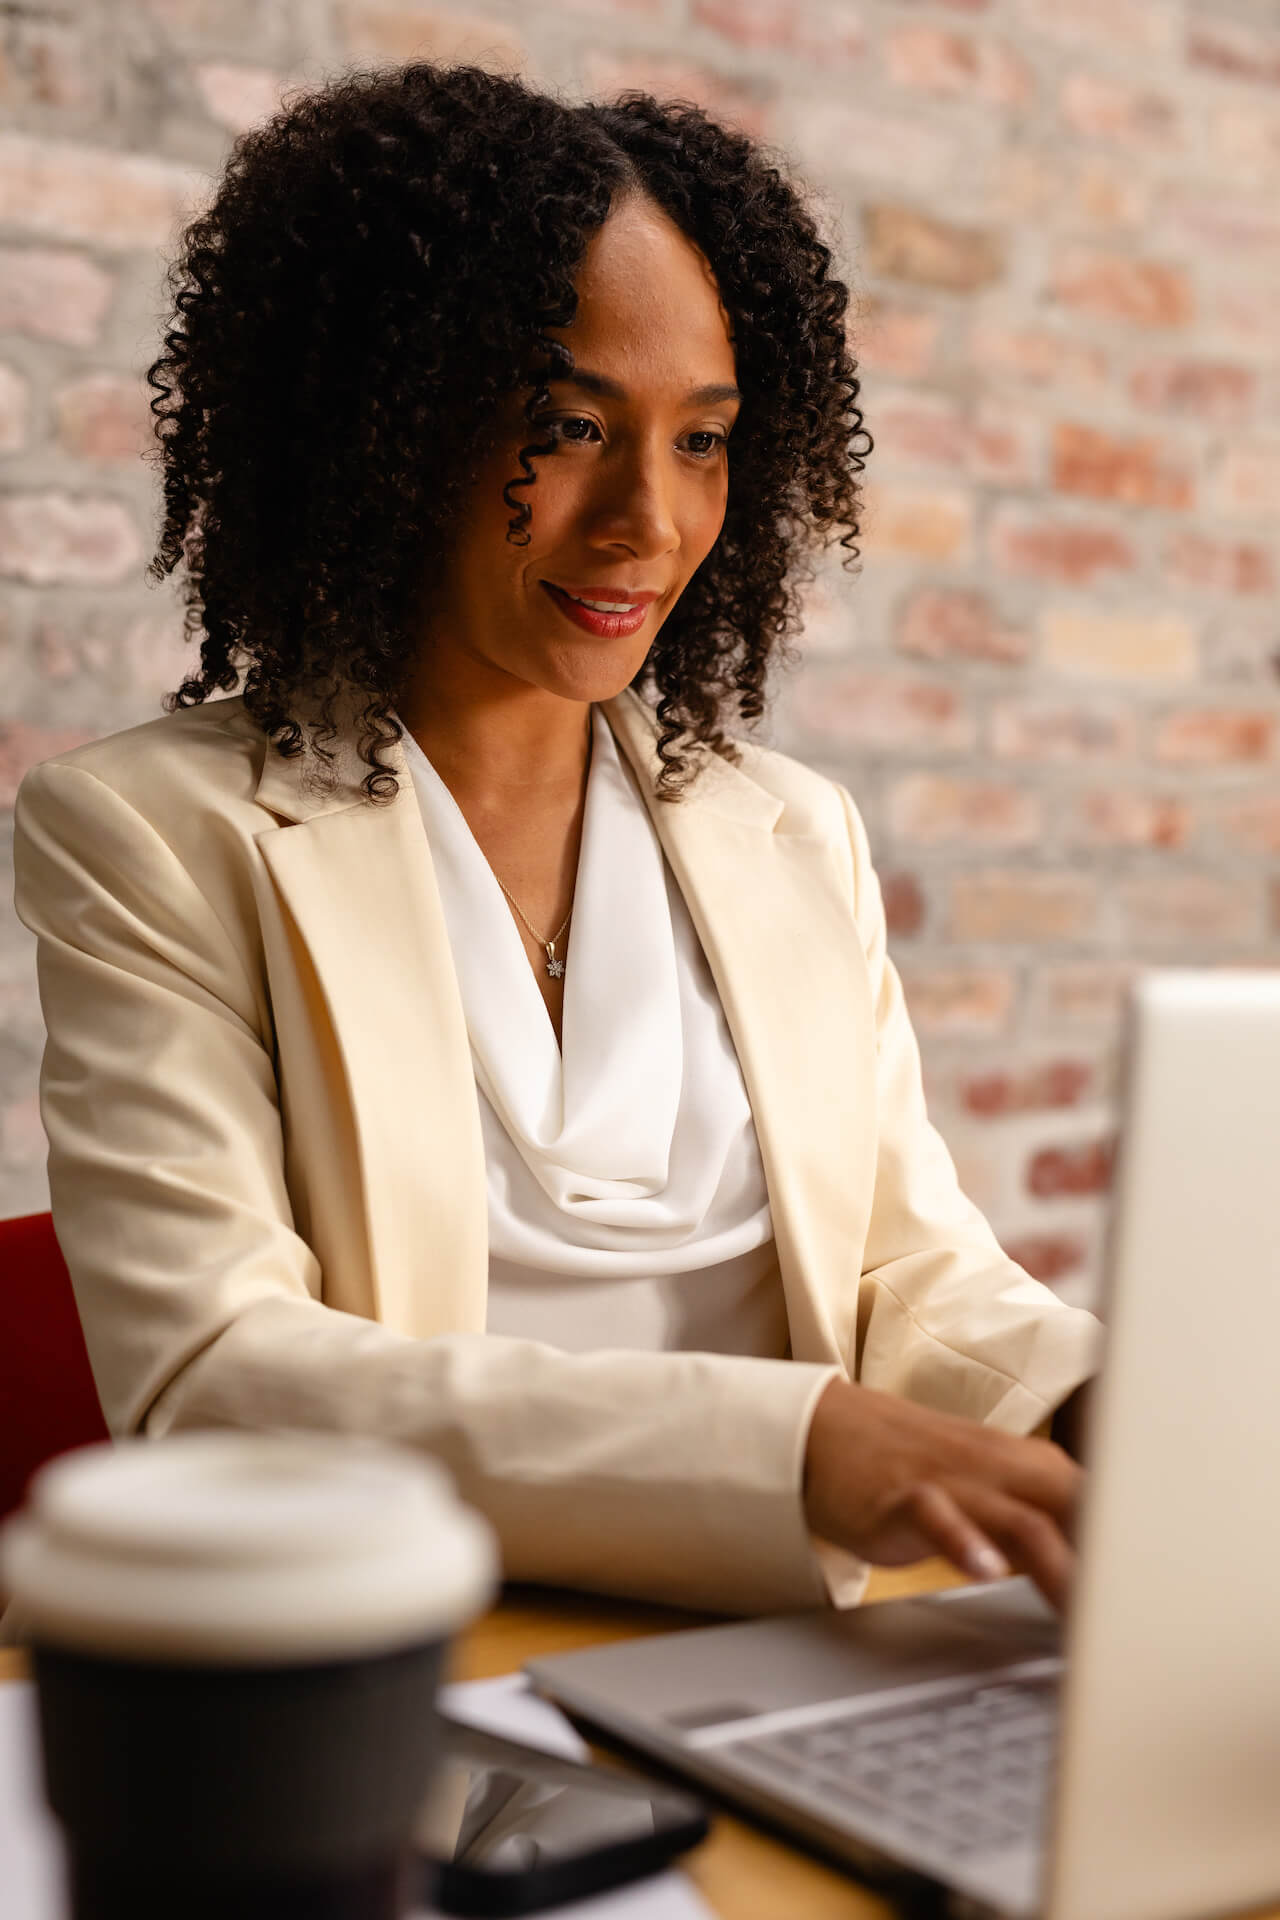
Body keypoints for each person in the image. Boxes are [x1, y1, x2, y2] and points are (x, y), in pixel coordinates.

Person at [12, 64, 1102, 1619]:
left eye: (705, 441)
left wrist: (1100, 1411)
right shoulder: (155, 837)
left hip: (783, 1656)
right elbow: (218, 1375)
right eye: (570, 425)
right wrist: (796, 1449)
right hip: (406, 1664)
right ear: (382, 431)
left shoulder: (793, 833)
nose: (647, 521)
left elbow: (902, 1273)